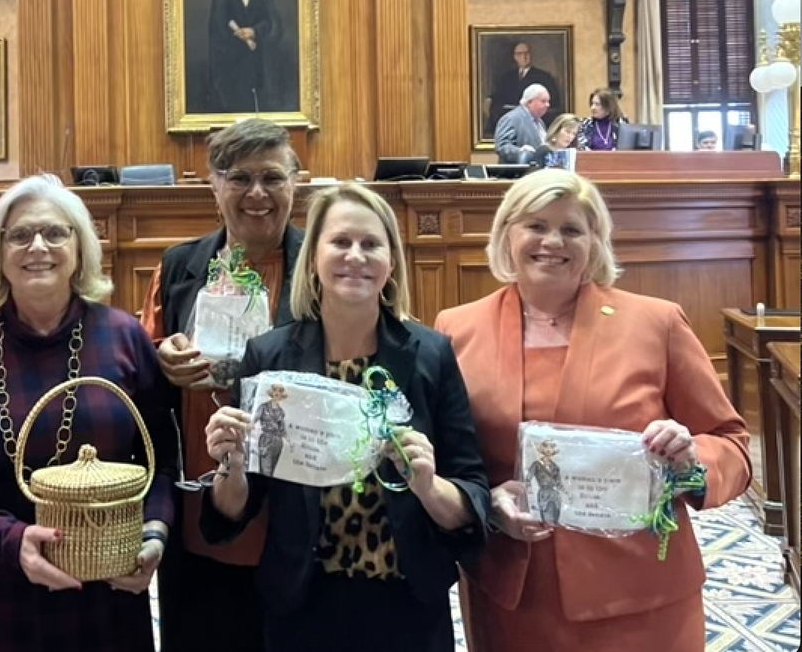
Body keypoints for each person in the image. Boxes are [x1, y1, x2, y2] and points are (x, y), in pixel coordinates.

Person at [433, 169, 751, 652]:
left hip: (641, 592)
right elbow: (451, 461)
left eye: (571, 229)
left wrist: (691, 460)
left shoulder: (656, 322)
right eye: (535, 226)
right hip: (515, 597)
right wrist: (488, 502)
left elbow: (730, 443)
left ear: (595, 242)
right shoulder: (457, 329)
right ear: (506, 235)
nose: (551, 241)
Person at [201, 183, 489, 651]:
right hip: (302, 601)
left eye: (371, 244)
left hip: (407, 605)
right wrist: (229, 465)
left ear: (391, 262)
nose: (355, 255)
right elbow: (238, 507)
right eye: (340, 242)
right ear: (313, 257)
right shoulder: (269, 355)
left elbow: (471, 497)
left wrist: (428, 486)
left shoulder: (431, 355)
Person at [0, 174, 176, 652]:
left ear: (79, 248)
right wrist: (12, 539)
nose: (37, 246)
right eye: (20, 235)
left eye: (54, 233)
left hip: (106, 588)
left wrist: (154, 536)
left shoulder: (126, 338)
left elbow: (163, 462)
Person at [139, 117, 303, 652]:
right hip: (200, 509)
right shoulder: (180, 266)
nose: (257, 193)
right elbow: (140, 377)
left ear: (295, 184)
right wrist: (160, 358)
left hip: (296, 518)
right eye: (239, 178)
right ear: (213, 184)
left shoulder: (320, 268)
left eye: (273, 178)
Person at [206, 0, 283, 114]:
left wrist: (254, 32)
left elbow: (275, 27)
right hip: (229, 71)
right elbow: (216, 33)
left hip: (258, 70)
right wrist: (238, 39)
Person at [485, 42, 561, 137]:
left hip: (533, 121)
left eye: (526, 53)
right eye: (520, 54)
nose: (524, 56)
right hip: (510, 117)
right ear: (515, 57)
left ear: (531, 55)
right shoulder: (507, 77)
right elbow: (499, 96)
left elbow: (553, 101)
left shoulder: (543, 77)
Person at [495, 84, 551, 164]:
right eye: (543, 101)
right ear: (529, 102)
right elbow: (502, 147)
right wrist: (521, 151)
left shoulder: (540, 122)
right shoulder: (511, 118)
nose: (547, 105)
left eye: (548, 101)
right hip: (517, 173)